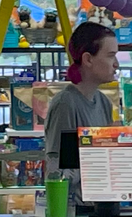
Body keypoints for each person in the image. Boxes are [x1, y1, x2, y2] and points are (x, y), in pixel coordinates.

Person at [44, 21, 120, 203]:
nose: (116, 64)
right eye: (110, 56)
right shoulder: (65, 104)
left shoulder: (103, 102)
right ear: (88, 59)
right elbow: (56, 176)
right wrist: (102, 149)